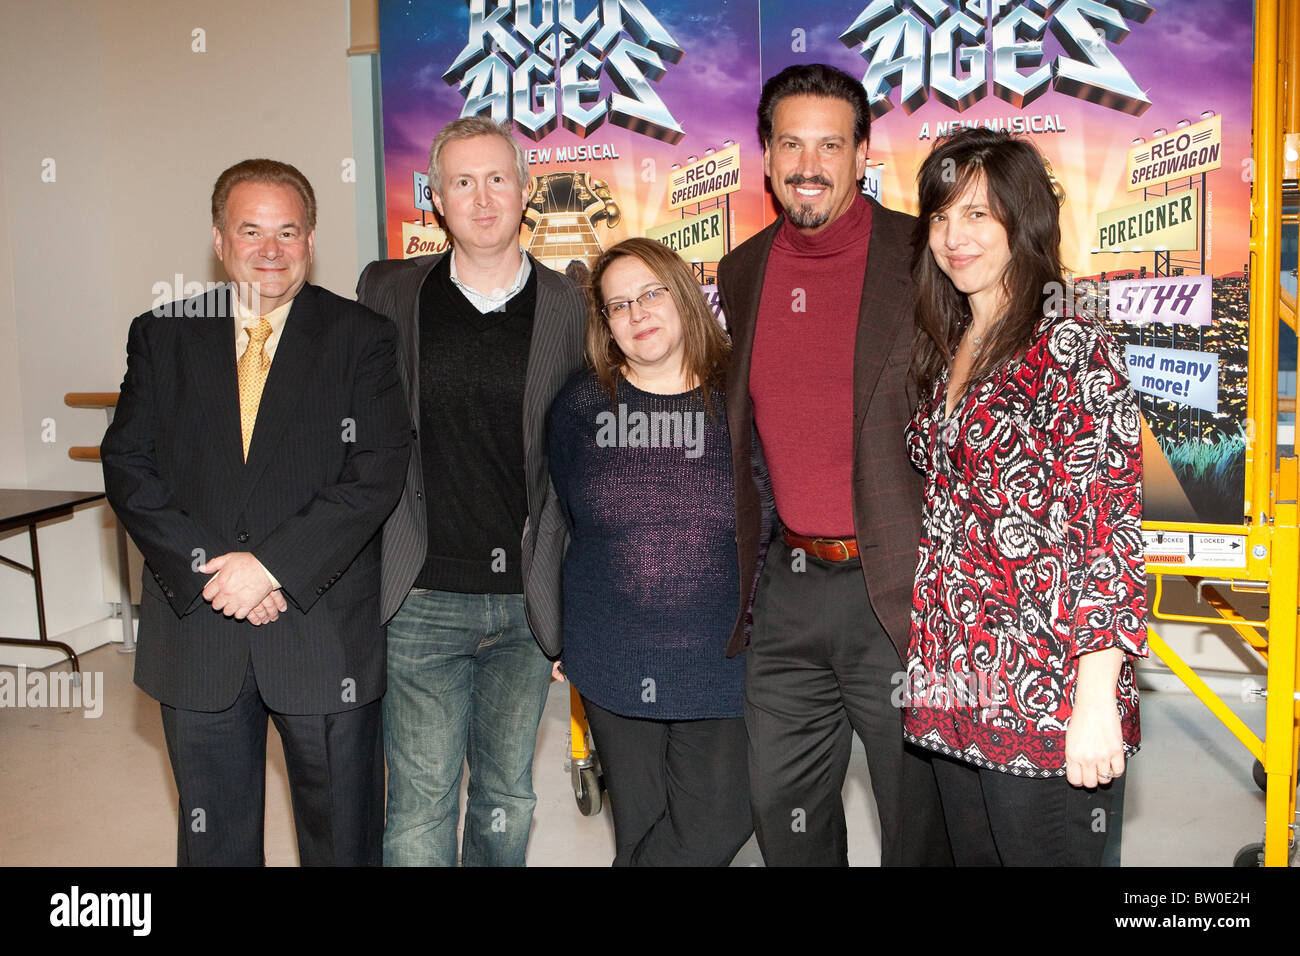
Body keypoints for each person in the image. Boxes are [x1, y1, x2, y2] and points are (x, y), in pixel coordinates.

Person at [101, 159, 411, 866]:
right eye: (251, 230)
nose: (270, 249)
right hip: (199, 627)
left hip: (320, 626)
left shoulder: (362, 337)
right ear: (219, 238)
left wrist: (271, 568)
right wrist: (216, 572)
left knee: (344, 841)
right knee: (215, 842)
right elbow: (129, 466)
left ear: (310, 239)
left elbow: (375, 473)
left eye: (288, 231)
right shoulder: (161, 335)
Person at [717, 63, 951, 866]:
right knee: (783, 811)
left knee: (915, 825)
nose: (808, 164)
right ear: (767, 157)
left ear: (861, 155)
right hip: (787, 594)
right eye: (790, 143)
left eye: (829, 144)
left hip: (900, 591)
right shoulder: (743, 270)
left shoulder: (925, 256)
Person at [905, 126, 1148, 866]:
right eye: (942, 216)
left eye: (978, 214)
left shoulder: (1071, 344)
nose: (954, 236)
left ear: (1025, 219)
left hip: (1045, 692)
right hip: (955, 688)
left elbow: (1110, 530)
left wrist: (1096, 699)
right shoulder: (945, 344)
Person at [356, 117, 585, 867]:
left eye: (497, 179)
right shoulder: (387, 293)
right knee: (419, 802)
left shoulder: (574, 307)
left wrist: (576, 601)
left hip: (526, 601)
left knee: (506, 798)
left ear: (524, 193)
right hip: (420, 593)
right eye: (462, 182)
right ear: (435, 200)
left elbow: (588, 464)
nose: (482, 198)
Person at [547, 238, 751, 866]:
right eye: (617, 306)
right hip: (613, 655)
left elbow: (770, 518)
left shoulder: (740, 397)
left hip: (723, 659)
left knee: (716, 825)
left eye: (650, 295)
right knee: (639, 825)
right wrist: (559, 634)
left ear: (684, 294)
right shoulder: (581, 405)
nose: (637, 315)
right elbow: (559, 521)